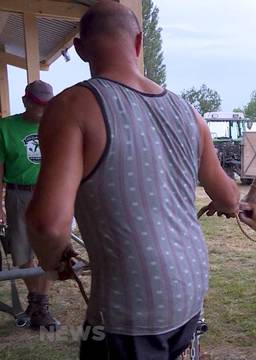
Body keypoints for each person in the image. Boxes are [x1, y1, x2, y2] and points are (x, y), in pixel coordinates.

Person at [25, 2, 239, 359]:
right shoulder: (189, 113)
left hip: (130, 305)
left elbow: (47, 223)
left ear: (79, 49)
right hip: (189, 285)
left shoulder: (72, 107)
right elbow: (230, 197)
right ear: (139, 43)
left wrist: (53, 260)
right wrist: (225, 201)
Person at [0, 80, 59, 330]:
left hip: (50, 193)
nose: (43, 111)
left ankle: (39, 305)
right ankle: (39, 303)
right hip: (17, 194)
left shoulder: (57, 125)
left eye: (48, 105)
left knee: (51, 252)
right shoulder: (5, 127)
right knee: (23, 254)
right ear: (26, 102)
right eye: (38, 105)